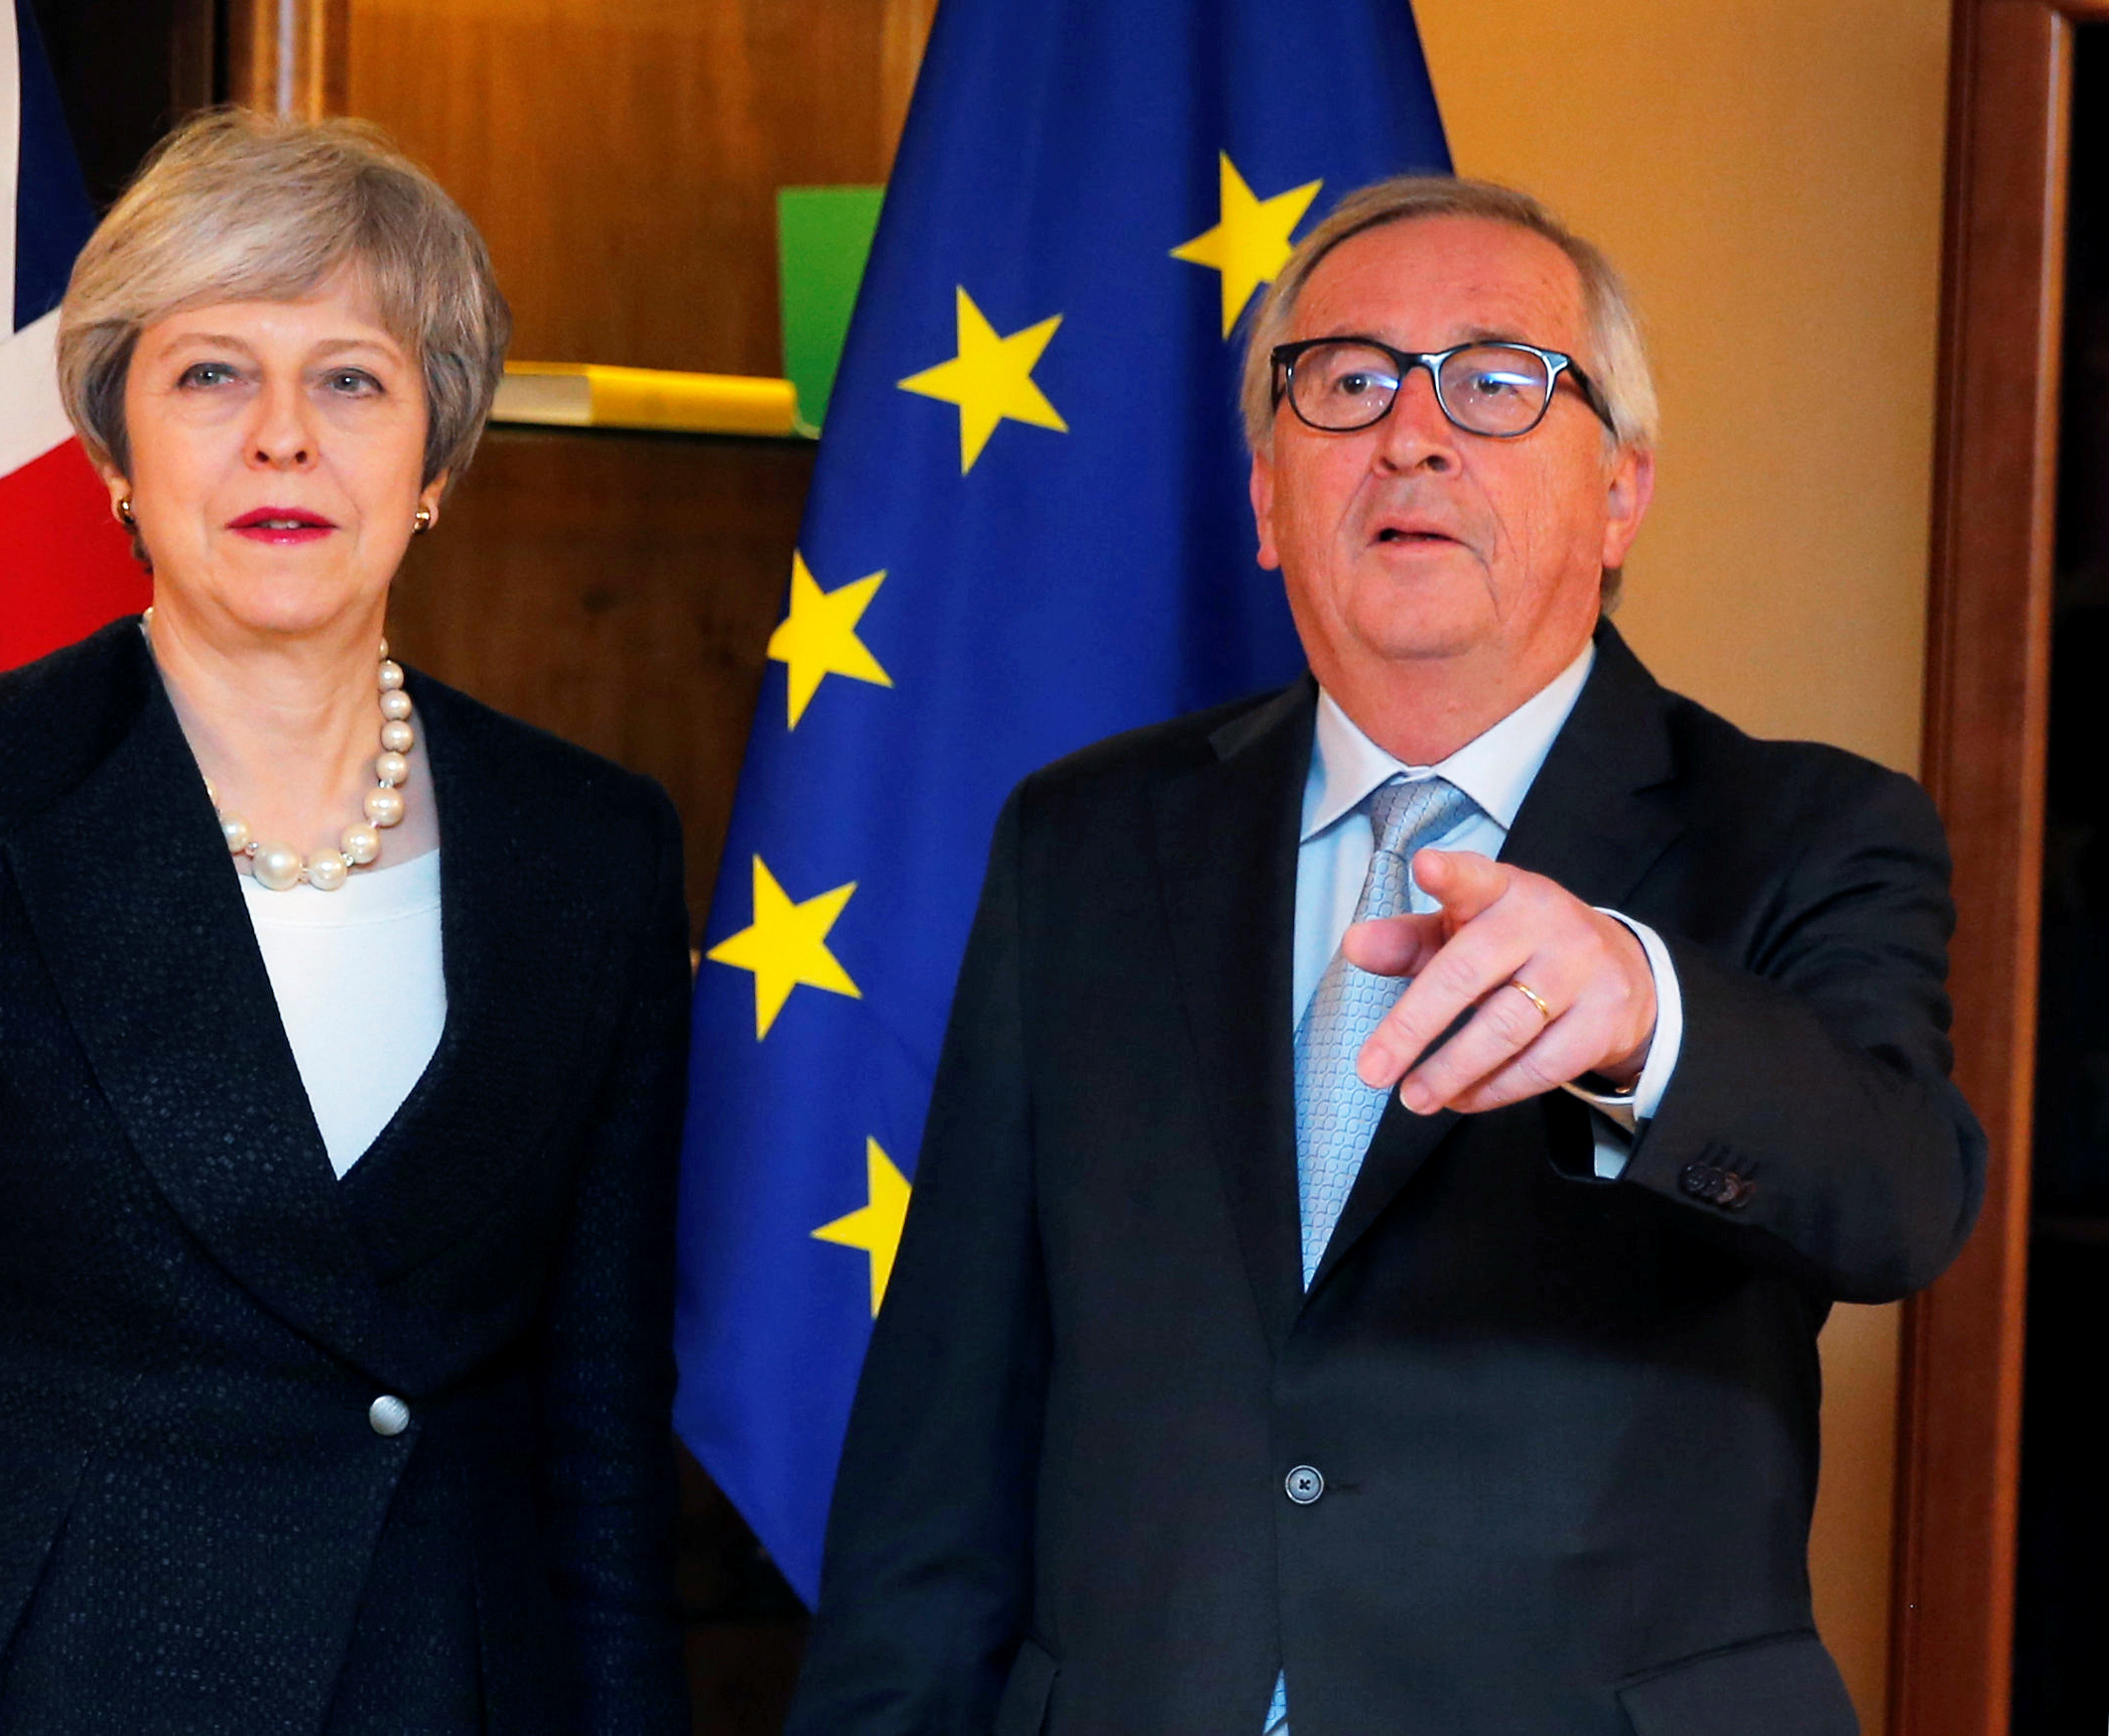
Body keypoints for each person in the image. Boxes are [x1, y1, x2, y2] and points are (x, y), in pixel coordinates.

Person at [787, 177, 1985, 1735]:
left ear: (1620, 492)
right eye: (1345, 381)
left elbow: (1898, 1196)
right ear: (1269, 499)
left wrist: (1639, 1012)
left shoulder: (1806, 828)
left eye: (1494, 382)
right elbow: (941, 1435)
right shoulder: (1083, 839)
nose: (1411, 434)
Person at [0, 110, 691, 1736]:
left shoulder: (594, 852)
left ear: (436, 457)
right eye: (211, 373)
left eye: (351, 376)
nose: (283, 437)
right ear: (115, 453)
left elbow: (600, 1443)